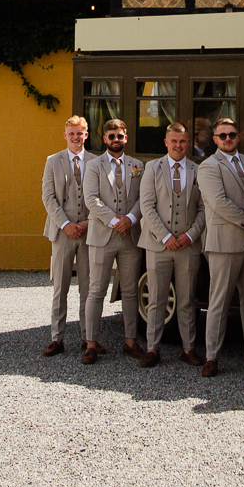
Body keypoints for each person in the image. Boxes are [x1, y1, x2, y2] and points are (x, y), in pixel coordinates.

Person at [138, 121, 206, 367]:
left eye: (183, 141)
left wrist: (190, 235)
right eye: (174, 141)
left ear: (189, 143)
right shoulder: (152, 168)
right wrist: (165, 237)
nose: (178, 145)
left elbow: (203, 208)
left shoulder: (197, 169)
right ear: (166, 143)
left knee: (187, 300)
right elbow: (147, 206)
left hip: (188, 245)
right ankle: (153, 349)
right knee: (156, 299)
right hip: (158, 245)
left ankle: (188, 348)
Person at [195, 117, 244, 376]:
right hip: (224, 242)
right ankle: (212, 356)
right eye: (223, 135)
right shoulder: (209, 166)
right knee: (218, 301)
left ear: (238, 136)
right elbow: (218, 202)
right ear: (215, 140)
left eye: (232, 134)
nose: (228, 139)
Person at [83, 119, 146, 365]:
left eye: (119, 135)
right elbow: (91, 198)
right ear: (104, 139)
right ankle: (90, 343)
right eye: (111, 136)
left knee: (130, 291)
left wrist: (130, 218)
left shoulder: (137, 165)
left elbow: (144, 198)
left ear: (126, 138)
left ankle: (130, 341)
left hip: (130, 236)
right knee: (96, 290)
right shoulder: (93, 165)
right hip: (102, 235)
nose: (115, 140)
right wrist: (113, 220)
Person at [38, 116, 93, 358]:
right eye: (71, 133)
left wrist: (89, 222)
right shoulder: (53, 161)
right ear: (65, 135)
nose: (75, 137)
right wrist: (66, 224)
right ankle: (56, 338)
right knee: (60, 287)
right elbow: (48, 197)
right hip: (62, 232)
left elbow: (101, 195)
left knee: (88, 287)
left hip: (89, 232)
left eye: (79, 133)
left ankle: (87, 338)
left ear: (86, 135)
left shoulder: (96, 161)